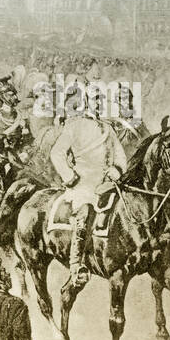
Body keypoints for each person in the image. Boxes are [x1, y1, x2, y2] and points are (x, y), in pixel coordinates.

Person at [48, 84, 126, 285]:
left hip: (107, 183)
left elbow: (120, 156)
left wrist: (116, 170)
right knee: (86, 211)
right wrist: (69, 176)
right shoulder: (75, 126)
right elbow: (56, 153)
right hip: (83, 183)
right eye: (95, 100)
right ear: (86, 102)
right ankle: (76, 264)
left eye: (101, 100)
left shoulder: (108, 128)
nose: (99, 104)